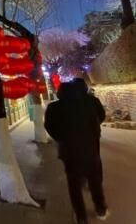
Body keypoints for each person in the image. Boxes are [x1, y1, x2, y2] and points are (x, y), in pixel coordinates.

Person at [44, 78, 108, 223]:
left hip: (68, 151)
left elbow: (49, 126)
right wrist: (93, 132)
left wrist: (62, 138)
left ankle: (81, 216)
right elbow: (101, 116)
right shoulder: (90, 102)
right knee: (95, 179)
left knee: (73, 184)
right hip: (90, 147)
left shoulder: (54, 107)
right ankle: (100, 208)